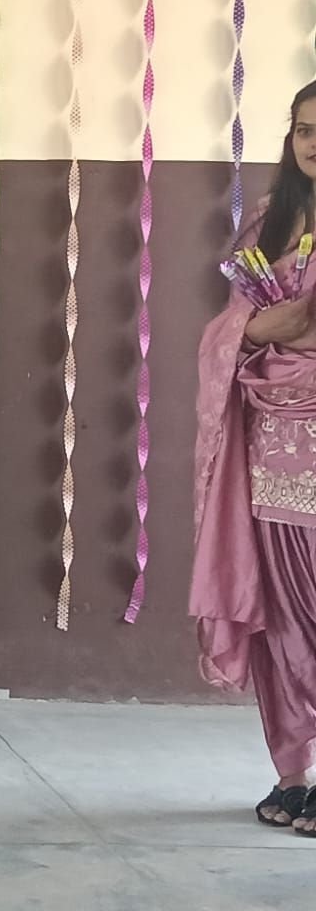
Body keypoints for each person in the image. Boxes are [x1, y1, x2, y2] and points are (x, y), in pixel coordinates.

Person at [193, 79, 316, 835]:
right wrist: (271, 326)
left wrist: (281, 326)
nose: (314, 143)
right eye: (304, 129)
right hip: (269, 445)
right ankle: (294, 775)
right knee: (282, 617)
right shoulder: (271, 221)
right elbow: (241, 325)